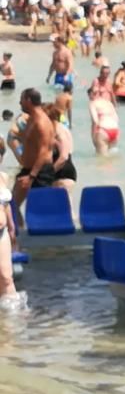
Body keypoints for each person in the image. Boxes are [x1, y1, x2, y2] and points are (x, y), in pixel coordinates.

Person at [12, 89, 56, 226]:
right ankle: (18, 237)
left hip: (39, 172)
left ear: (29, 101)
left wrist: (31, 176)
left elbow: (44, 151)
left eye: (22, 99)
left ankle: (46, 243)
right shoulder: (31, 118)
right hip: (28, 169)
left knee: (42, 210)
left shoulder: (41, 122)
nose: (20, 102)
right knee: (12, 204)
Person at [0, 176, 21, 309]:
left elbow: (5, 204)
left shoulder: (2, 177)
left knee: (6, 277)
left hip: (2, 233)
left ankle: (12, 323)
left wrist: (12, 229)